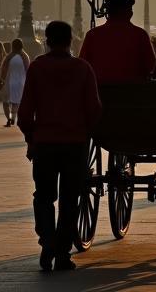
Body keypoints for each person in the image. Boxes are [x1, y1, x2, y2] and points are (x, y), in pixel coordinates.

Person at [18, 20, 102, 272]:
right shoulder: (82, 68)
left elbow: (25, 112)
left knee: (43, 196)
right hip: (74, 144)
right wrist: (86, 131)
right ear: (70, 41)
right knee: (69, 199)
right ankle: (63, 251)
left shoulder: (37, 67)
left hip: (44, 143)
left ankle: (47, 241)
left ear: (47, 40)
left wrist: (30, 138)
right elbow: (94, 109)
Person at [78, 0, 155, 84]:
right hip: (133, 91)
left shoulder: (92, 34)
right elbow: (150, 65)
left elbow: (83, 64)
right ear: (129, 13)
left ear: (108, 12)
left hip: (101, 90)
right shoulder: (140, 34)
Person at [1, 37, 31, 123]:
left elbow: (3, 70)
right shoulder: (25, 56)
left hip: (9, 82)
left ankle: (8, 118)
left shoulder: (9, 57)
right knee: (16, 102)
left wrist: (1, 81)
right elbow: (28, 70)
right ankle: (13, 117)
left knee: (6, 102)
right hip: (21, 82)